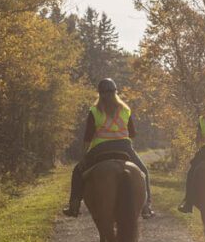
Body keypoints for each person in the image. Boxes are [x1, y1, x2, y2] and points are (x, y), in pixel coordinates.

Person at [62, 78, 155, 218]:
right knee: (144, 172)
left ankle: (74, 206)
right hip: (124, 148)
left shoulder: (95, 110)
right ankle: (146, 206)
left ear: (100, 94)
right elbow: (133, 133)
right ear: (115, 92)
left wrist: (83, 155)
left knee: (77, 171)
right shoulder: (125, 110)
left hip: (100, 148)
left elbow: (88, 137)